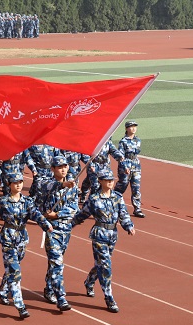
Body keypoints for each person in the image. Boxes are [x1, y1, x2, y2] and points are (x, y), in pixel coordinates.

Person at [0, 172, 52, 319]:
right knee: (15, 271)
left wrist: (46, 225)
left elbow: (36, 214)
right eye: (15, 183)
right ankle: (20, 305)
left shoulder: (27, 201)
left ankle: (3, 291)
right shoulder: (3, 202)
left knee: (12, 267)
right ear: (9, 185)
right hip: (8, 238)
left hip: (21, 238)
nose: (19, 185)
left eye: (20, 182)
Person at [73, 169, 135, 313]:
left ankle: (89, 281)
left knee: (100, 264)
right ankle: (109, 297)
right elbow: (83, 214)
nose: (110, 182)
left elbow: (123, 214)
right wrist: (68, 225)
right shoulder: (94, 199)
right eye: (107, 180)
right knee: (106, 265)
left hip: (112, 234)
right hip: (99, 234)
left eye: (111, 180)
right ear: (100, 181)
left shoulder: (117, 197)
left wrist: (129, 226)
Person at [37, 155, 79, 312]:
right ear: (53, 169)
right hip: (52, 229)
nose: (63, 169)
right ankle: (61, 298)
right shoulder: (45, 182)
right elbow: (46, 188)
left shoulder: (73, 185)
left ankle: (49, 289)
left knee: (54, 262)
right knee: (57, 263)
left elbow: (74, 207)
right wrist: (62, 185)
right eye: (59, 167)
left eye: (65, 166)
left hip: (65, 229)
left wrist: (58, 214)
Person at [115, 121, 145, 218]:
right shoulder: (123, 141)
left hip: (136, 166)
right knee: (122, 186)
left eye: (135, 126)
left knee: (136, 188)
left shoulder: (137, 140)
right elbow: (120, 156)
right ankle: (113, 202)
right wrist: (125, 167)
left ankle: (137, 208)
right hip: (126, 165)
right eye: (131, 127)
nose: (133, 128)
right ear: (126, 129)